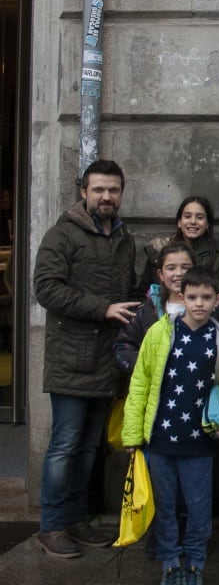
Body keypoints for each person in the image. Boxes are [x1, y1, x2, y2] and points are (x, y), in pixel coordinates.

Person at [34, 159, 141, 558]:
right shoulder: (62, 235)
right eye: (99, 189)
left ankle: (77, 520)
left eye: (113, 190)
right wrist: (103, 308)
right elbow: (46, 289)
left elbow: (128, 289)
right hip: (70, 358)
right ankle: (51, 526)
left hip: (106, 359)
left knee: (90, 447)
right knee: (64, 444)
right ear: (84, 191)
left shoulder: (123, 238)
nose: (106, 196)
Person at [122, 267, 219, 585]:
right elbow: (141, 383)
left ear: (217, 300)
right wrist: (133, 435)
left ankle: (195, 567)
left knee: (199, 508)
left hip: (199, 442)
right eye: (192, 297)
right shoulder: (160, 332)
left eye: (205, 298)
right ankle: (171, 567)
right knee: (166, 506)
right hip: (159, 439)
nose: (198, 304)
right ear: (181, 298)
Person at [115, 243, 197, 378]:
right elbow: (122, 347)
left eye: (185, 268)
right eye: (171, 268)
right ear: (161, 274)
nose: (179, 273)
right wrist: (146, 367)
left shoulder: (208, 309)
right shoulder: (145, 311)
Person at [138, 196, 219, 293]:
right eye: (187, 216)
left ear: (207, 224)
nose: (193, 221)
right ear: (179, 222)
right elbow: (144, 292)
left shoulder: (218, 258)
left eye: (199, 217)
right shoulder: (158, 250)